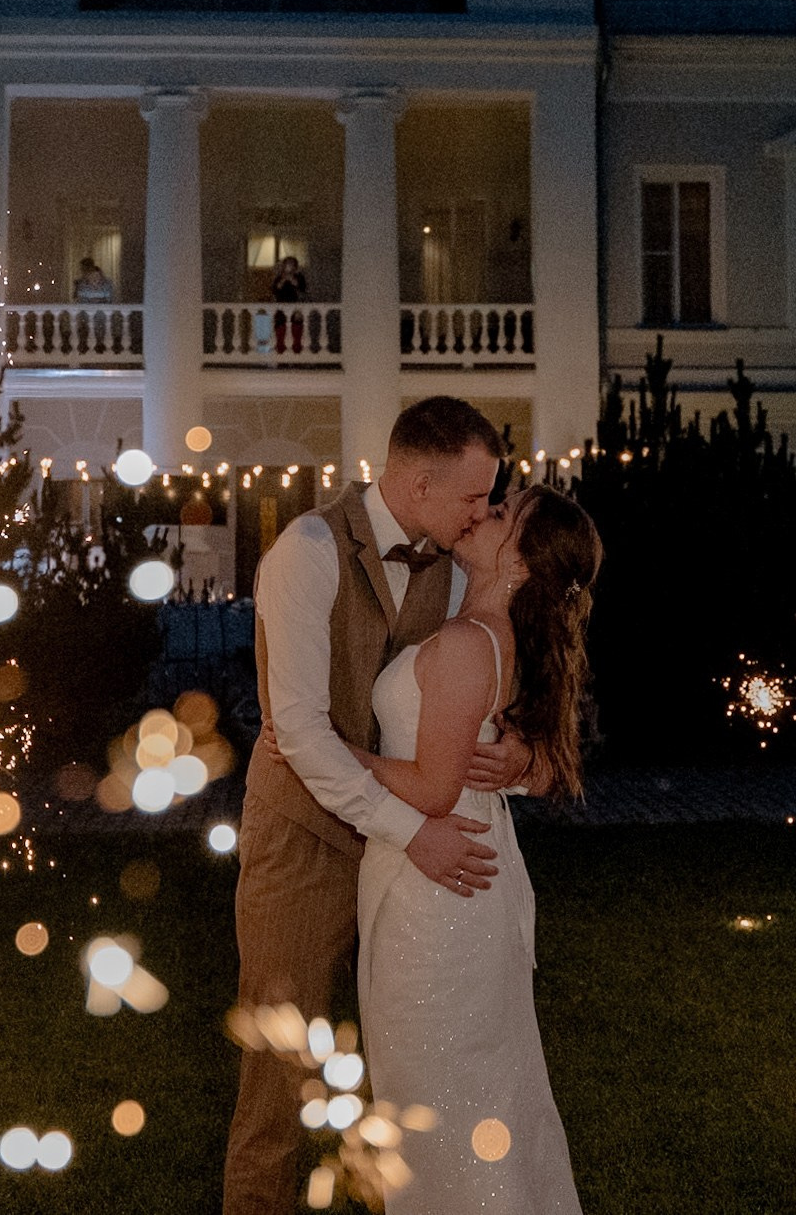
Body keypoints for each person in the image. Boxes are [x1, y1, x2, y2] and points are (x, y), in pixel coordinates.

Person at [223, 396, 531, 1215]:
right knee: (280, 1061)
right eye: (472, 496)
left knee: (417, 1051)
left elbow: (500, 668)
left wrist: (522, 751)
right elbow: (297, 731)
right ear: (416, 481)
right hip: (305, 836)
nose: (483, 512)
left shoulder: (455, 555)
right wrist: (414, 828)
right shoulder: (307, 551)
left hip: (407, 848)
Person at [348, 483, 597, 1212]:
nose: (479, 509)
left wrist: (318, 748)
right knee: (465, 1086)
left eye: (499, 512)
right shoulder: (477, 606)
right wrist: (521, 754)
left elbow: (431, 786)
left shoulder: (472, 633)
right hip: (455, 867)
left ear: (520, 560)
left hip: (444, 882)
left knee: (437, 1092)